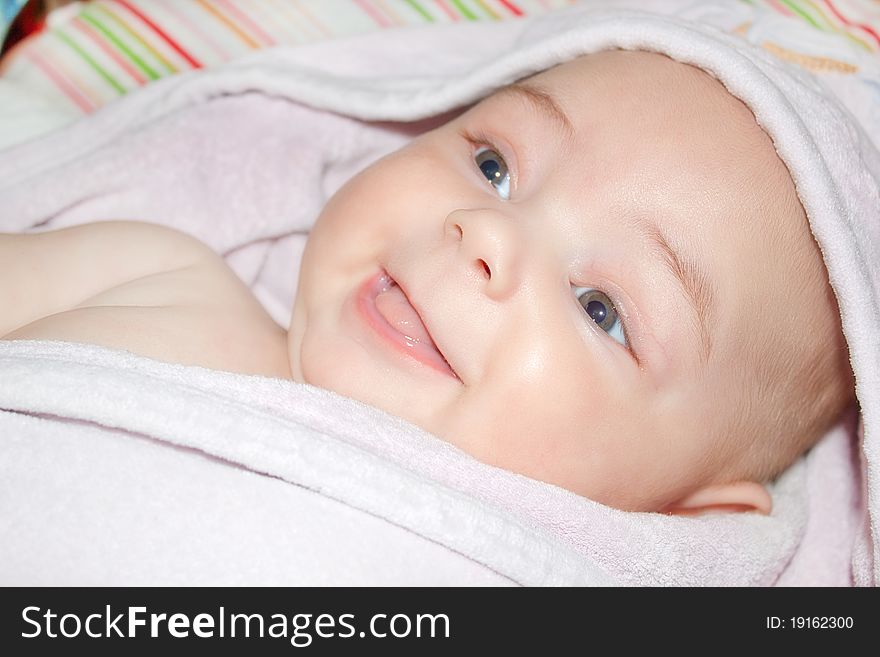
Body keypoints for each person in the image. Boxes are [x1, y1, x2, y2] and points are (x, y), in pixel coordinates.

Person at [0, 49, 855, 517]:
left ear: (685, 518)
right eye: (494, 166)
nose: (486, 232)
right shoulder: (157, 276)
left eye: (602, 309)